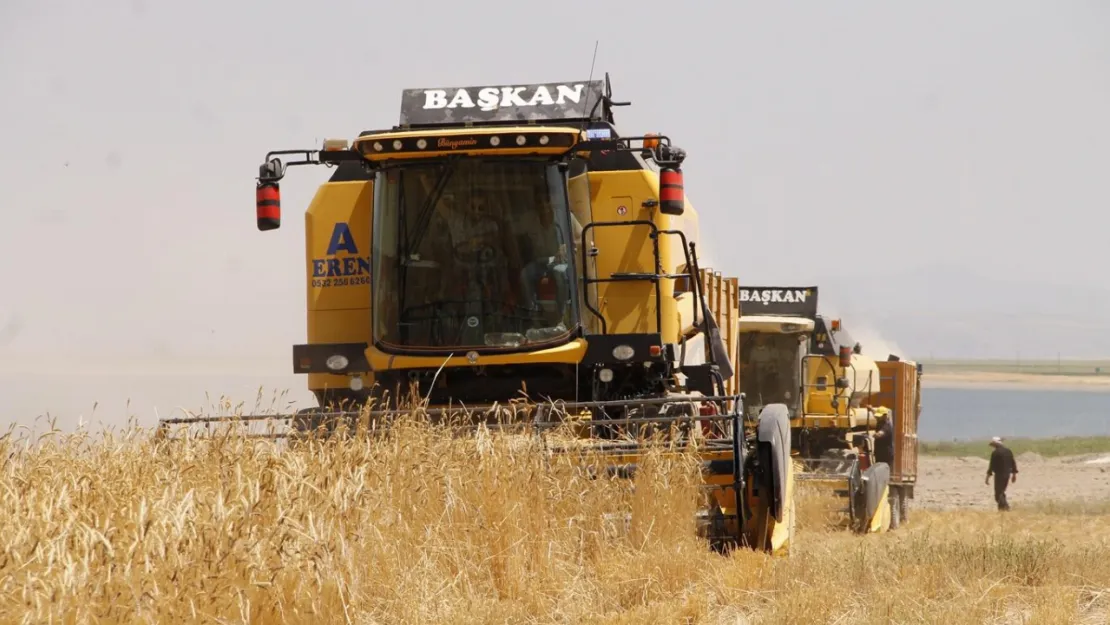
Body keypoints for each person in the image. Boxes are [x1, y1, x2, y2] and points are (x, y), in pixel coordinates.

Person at [986, 436, 1018, 511]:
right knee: (1002, 492)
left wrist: (987, 477)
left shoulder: (995, 453)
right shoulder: (1008, 451)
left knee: (998, 494)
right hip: (1007, 475)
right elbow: (1013, 463)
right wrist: (1014, 475)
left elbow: (991, 466)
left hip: (999, 475)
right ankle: (1002, 510)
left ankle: (1006, 508)